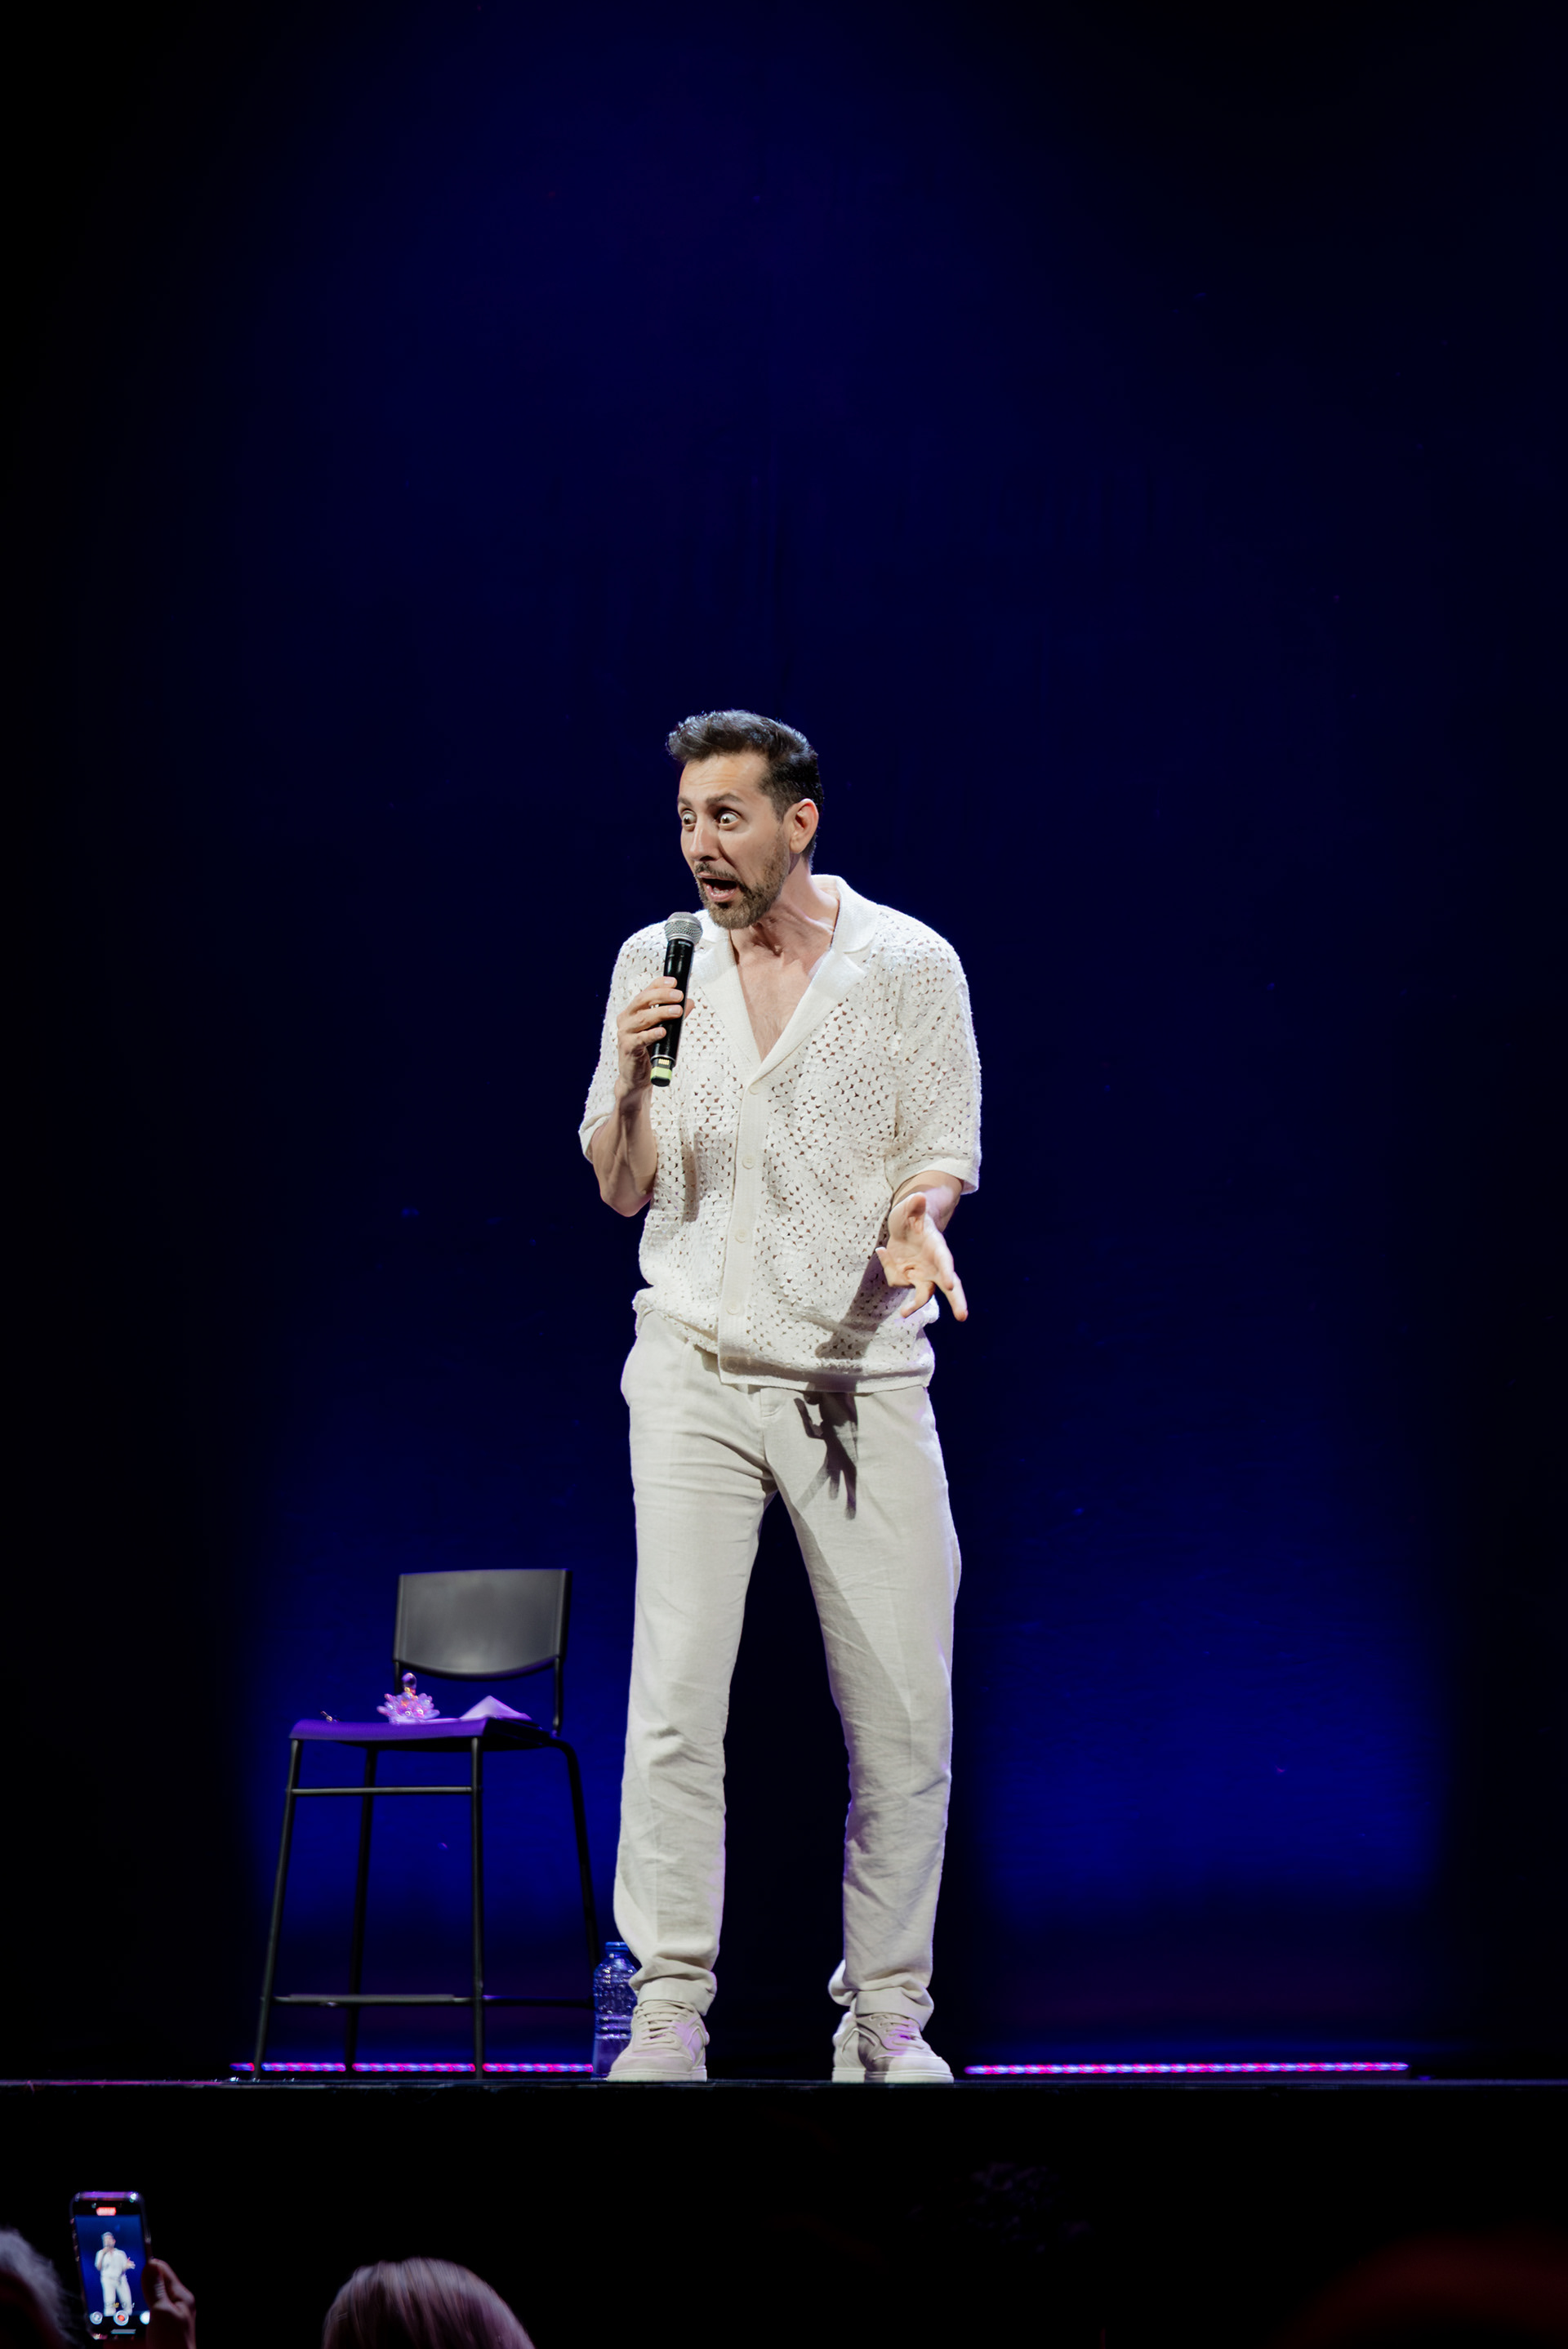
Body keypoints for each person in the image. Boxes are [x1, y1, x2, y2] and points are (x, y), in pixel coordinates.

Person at [581, 708, 981, 2083]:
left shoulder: (904, 965)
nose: (702, 845)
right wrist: (631, 1073)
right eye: (689, 818)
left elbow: (941, 1150)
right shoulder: (661, 960)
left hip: (857, 1372)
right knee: (678, 1701)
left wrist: (920, 1216)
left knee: (903, 1711)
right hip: (691, 1360)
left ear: (799, 821)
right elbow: (624, 1182)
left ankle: (889, 2017)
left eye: (728, 817)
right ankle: (670, 2006)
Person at [95, 2238, 135, 2323]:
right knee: (110, 2303)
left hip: (121, 2279)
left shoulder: (120, 2253)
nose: (107, 2242)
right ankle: (109, 2323)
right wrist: (103, 2254)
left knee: (127, 2302)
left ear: (114, 2241)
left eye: (109, 2240)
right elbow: (99, 2267)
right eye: (105, 2240)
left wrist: (127, 2266)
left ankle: (129, 2321)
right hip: (108, 2280)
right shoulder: (100, 2253)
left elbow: (123, 2268)